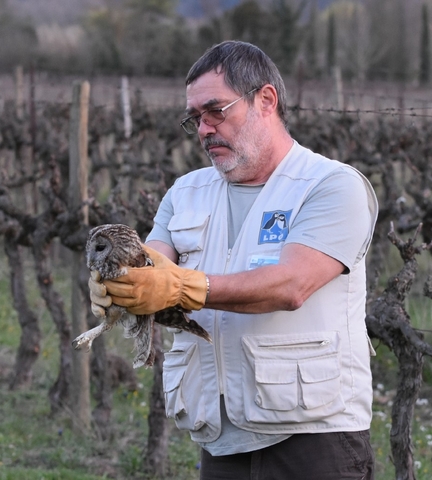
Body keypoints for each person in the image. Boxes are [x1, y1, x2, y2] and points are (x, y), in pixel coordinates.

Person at [89, 41, 378, 479]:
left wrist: (184, 288)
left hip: (315, 437)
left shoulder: (330, 186)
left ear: (265, 100)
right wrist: (118, 288)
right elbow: (149, 268)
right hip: (219, 434)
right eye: (194, 119)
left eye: (215, 111)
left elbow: (291, 285)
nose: (204, 129)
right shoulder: (185, 192)